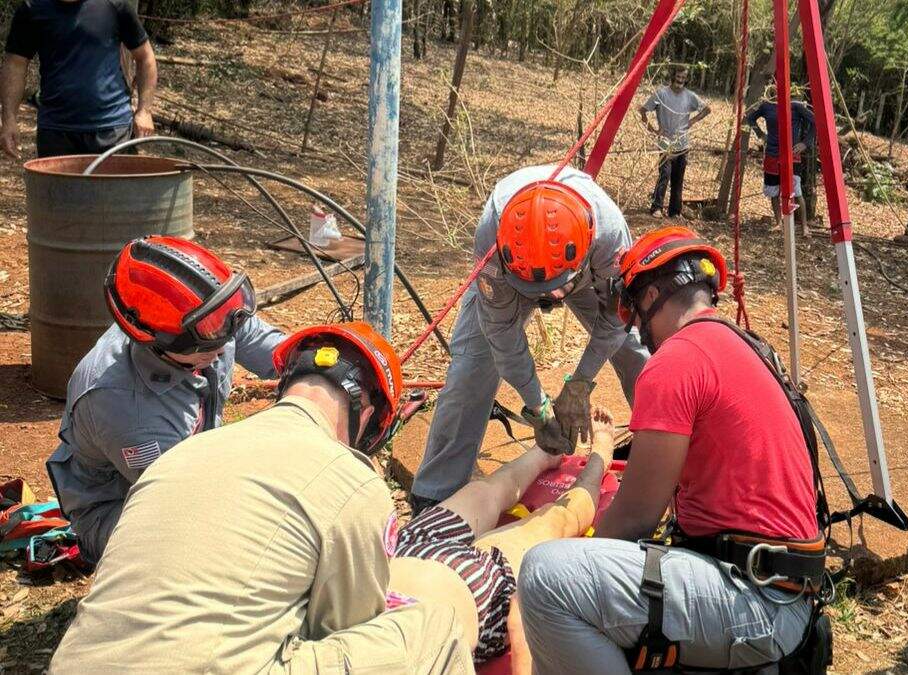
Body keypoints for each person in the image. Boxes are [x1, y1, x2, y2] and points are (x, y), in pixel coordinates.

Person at [51, 322, 473, 673]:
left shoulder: (182, 454)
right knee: (436, 627)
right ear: (371, 418)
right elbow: (343, 625)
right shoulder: (352, 482)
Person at [517, 227, 829, 674]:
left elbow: (635, 516)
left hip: (757, 600)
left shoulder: (677, 360)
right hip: (783, 587)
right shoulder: (749, 346)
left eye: (635, 313)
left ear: (653, 295)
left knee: (546, 576)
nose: (638, 331)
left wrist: (584, 559)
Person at [410, 164, 649, 513]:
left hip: (583, 277)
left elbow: (615, 320)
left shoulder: (609, 236)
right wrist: (538, 408)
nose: (548, 300)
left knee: (635, 349)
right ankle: (435, 492)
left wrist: (579, 384)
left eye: (555, 292)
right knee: (471, 369)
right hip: (511, 281)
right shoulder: (492, 239)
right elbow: (501, 333)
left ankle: (666, 457)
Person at [45, 236, 285, 565]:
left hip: (187, 467)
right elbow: (183, 497)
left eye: (228, 318)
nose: (227, 339)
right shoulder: (124, 408)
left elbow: (266, 344)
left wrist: (315, 359)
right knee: (210, 544)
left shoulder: (205, 319)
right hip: (120, 507)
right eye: (215, 334)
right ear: (164, 343)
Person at [388, 407, 617, 672]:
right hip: (476, 592)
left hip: (404, 553)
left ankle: (545, 452)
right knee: (556, 520)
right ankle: (600, 458)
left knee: (485, 492)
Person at [1, 0, 158, 159]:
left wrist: (144, 111)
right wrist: (8, 120)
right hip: (56, 131)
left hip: (112, 129)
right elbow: (15, 64)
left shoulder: (114, 4)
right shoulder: (33, 8)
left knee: (113, 185)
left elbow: (145, 57)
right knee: (58, 185)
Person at [744, 81, 816, 235]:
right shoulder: (766, 106)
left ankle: (804, 227)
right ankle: (778, 223)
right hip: (771, 154)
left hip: (792, 155)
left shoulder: (795, 106)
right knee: (774, 191)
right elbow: (749, 118)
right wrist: (760, 134)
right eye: (775, 86)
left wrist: (805, 143)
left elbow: (816, 122)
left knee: (796, 192)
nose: (778, 88)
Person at [640, 67, 710, 218]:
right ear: (673, 76)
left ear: (686, 79)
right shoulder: (661, 93)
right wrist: (653, 130)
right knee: (664, 174)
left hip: (683, 143)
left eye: (683, 77)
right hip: (665, 142)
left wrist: (692, 121)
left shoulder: (690, 96)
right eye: (678, 76)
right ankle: (656, 207)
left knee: (678, 178)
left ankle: (674, 211)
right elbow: (643, 110)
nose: (680, 80)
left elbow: (706, 109)